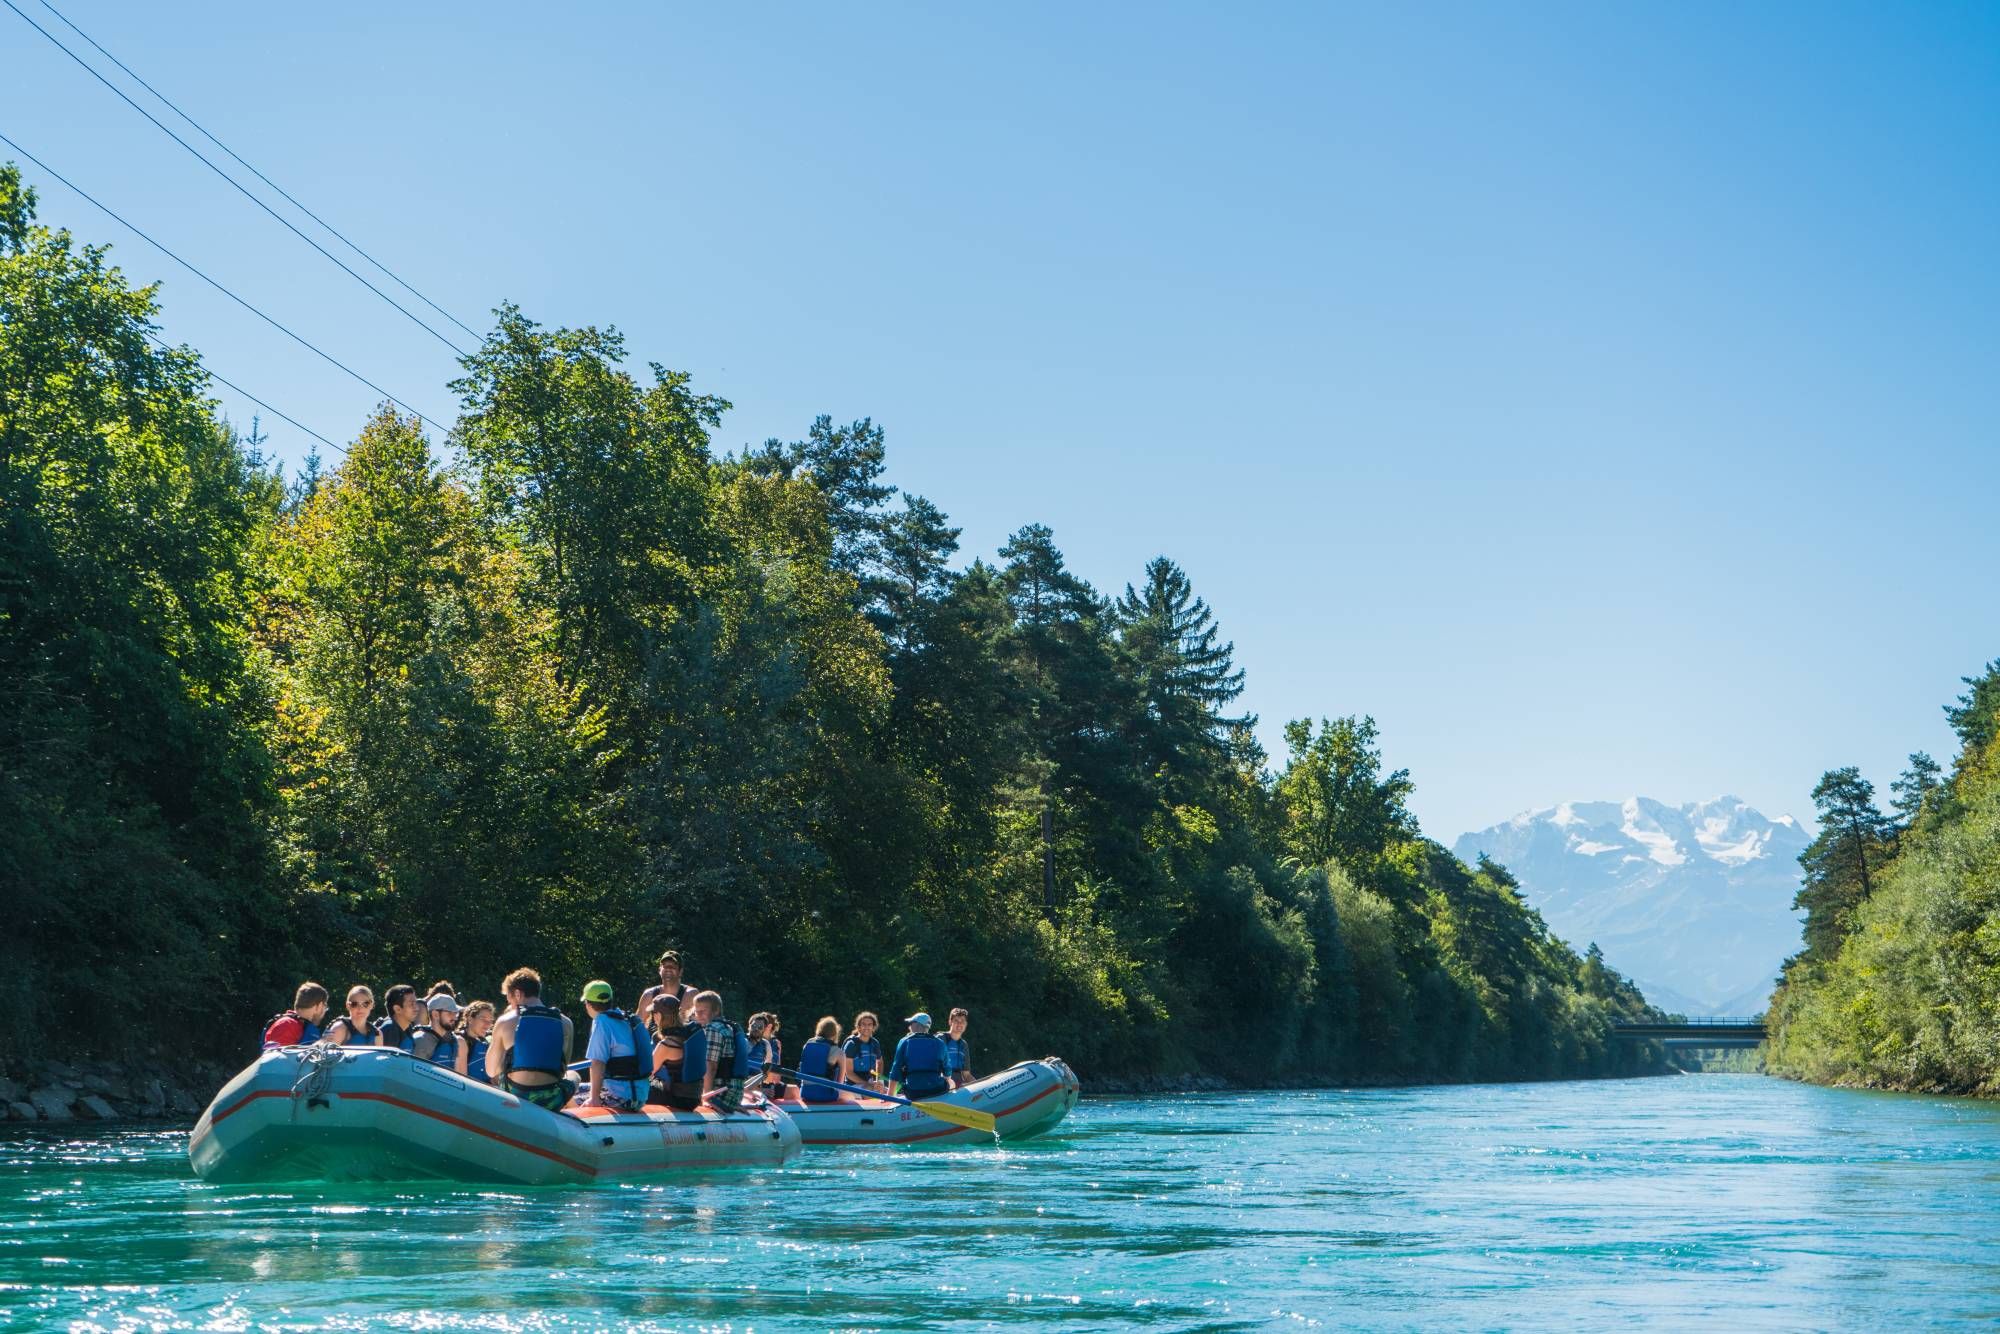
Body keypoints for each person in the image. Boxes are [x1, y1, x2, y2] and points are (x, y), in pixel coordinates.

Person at [485, 967, 577, 1112]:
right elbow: (562, 1069)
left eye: (509, 999)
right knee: (574, 1075)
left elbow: (491, 1070)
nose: (509, 1005)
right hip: (550, 1100)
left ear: (517, 994)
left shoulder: (505, 1021)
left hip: (515, 1095)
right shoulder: (566, 1023)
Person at [579, 979, 652, 1111]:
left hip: (621, 1099)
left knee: (568, 1095)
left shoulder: (601, 1021)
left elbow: (597, 1063)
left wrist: (594, 1098)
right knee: (580, 1087)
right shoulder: (626, 1018)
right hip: (640, 1097)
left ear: (588, 1004)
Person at [671, 991, 748, 1113]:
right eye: (697, 1011)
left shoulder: (712, 1029)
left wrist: (706, 1097)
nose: (699, 1015)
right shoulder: (729, 1027)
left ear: (716, 1010)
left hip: (719, 1096)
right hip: (733, 1096)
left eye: (703, 1011)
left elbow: (710, 1065)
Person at [888, 1011, 951, 1099]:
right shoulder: (940, 1043)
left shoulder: (904, 1041)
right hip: (937, 1090)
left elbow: (896, 1069)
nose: (909, 1026)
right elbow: (947, 1071)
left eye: (911, 1023)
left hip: (913, 1092)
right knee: (950, 1082)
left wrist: (889, 1096)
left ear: (917, 1025)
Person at [410, 993, 468, 1075]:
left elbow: (462, 1078)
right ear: (435, 1014)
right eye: (450, 1013)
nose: (455, 1018)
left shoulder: (456, 1041)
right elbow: (414, 1076)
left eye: (456, 1013)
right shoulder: (421, 1040)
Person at [261, 982, 330, 1048]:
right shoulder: (287, 1024)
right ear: (319, 1006)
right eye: (325, 1007)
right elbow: (278, 1058)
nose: (325, 1011)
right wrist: (319, 1045)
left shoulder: (301, 1026)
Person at [796, 1016, 847, 1104]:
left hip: (805, 1093)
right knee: (850, 1094)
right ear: (835, 1033)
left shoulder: (807, 1045)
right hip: (825, 1095)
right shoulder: (839, 1052)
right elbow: (840, 1083)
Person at [636, 950, 696, 1024]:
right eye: (665, 966)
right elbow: (637, 1026)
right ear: (659, 970)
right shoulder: (648, 995)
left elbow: (701, 1025)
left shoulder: (691, 995)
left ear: (680, 971)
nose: (668, 969)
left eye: (673, 966)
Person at [745, 1013, 786, 1100]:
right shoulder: (742, 1041)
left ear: (764, 1030)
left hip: (756, 1082)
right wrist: (761, 1090)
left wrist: (765, 1087)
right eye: (753, 1026)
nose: (756, 1029)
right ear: (749, 1026)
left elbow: (768, 1068)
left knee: (793, 1090)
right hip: (742, 1083)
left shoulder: (766, 1044)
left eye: (760, 1027)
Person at [843, 1012, 884, 1089]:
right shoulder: (851, 1044)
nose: (866, 1027)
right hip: (852, 1085)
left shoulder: (875, 1043)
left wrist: (878, 1080)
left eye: (869, 1025)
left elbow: (880, 1062)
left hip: (869, 1083)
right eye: (863, 1024)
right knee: (871, 1092)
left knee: (888, 1092)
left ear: (873, 1027)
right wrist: (868, 1084)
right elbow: (849, 1073)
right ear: (858, 1027)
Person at [374, 984, 421, 1051]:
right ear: (397, 1009)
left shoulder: (408, 1028)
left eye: (416, 1003)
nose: (417, 1008)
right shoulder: (389, 1029)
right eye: (411, 1004)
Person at [461, 1001, 496, 1085]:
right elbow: (461, 1081)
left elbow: (494, 1079)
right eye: (483, 1019)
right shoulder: (460, 1042)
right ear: (470, 1019)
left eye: (490, 1021)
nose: (488, 1024)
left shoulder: (485, 1043)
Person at [941, 1007, 974, 1089]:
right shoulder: (940, 1038)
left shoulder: (964, 1044)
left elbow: (966, 1074)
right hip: (942, 1082)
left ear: (966, 1024)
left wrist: (980, 1087)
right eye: (956, 1021)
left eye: (962, 1021)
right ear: (950, 1022)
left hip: (958, 1084)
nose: (960, 1024)